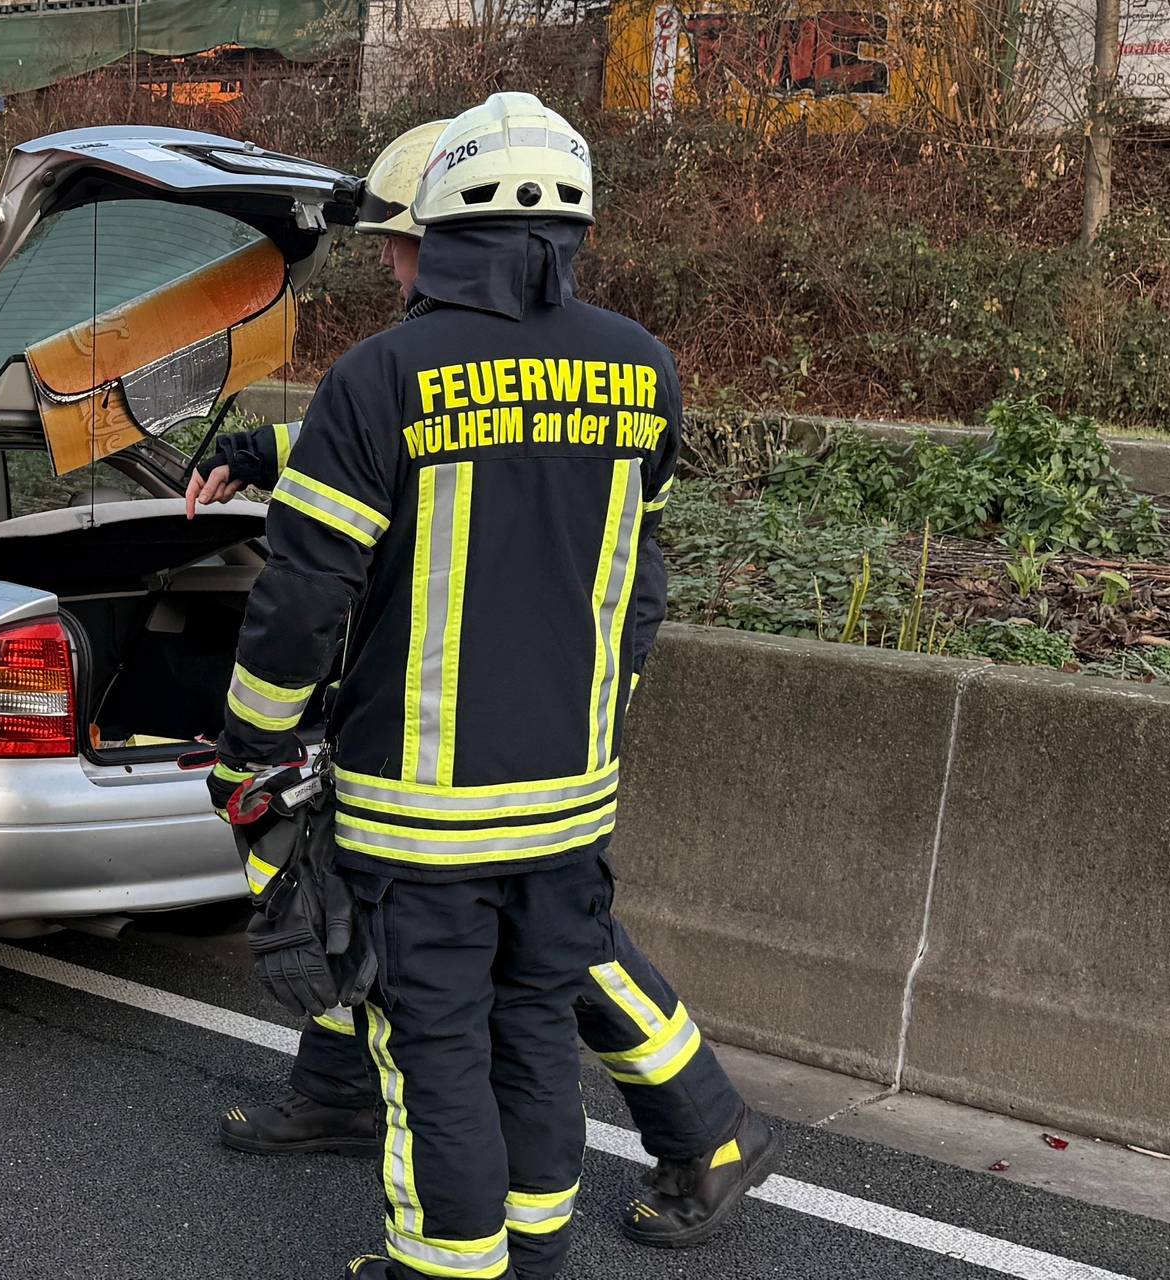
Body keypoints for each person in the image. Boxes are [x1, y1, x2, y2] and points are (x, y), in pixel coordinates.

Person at [191, 120, 777, 1250]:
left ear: (442, 234)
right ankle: (533, 1246)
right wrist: (589, 710)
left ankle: (450, 1265)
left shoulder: (386, 374)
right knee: (529, 1044)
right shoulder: (640, 367)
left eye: (400, 238)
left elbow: (301, 598)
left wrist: (246, 749)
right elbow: (634, 582)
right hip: (566, 796)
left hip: (421, 811)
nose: (387, 259)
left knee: (435, 1053)